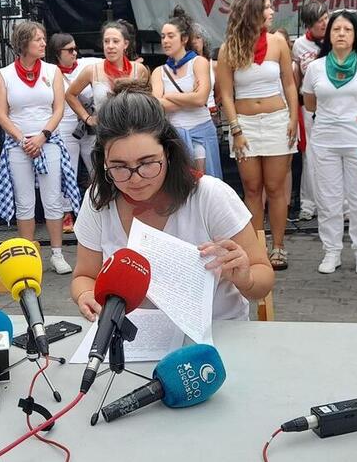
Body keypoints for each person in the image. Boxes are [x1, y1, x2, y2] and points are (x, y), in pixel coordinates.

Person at [70, 82, 274, 322]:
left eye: (147, 163)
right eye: (119, 167)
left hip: (213, 336)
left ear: (168, 152)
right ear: (103, 161)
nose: (135, 179)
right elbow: (84, 276)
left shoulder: (209, 195)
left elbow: (263, 280)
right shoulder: (100, 200)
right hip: (135, 337)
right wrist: (85, 294)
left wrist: (245, 278)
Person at [216, 0, 299, 270]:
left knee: (275, 188)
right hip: (245, 124)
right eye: (266, 7)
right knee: (252, 189)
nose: (272, 11)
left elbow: (289, 83)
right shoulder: (229, 48)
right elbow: (226, 94)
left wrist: (293, 119)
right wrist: (236, 130)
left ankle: (278, 247)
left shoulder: (278, 43)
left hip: (277, 120)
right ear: (252, 11)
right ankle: (256, 247)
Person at [0, 21, 80, 275]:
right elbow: (0, 114)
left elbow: (59, 109)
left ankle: (56, 253)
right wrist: (22, 140)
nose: (44, 43)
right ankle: (29, 254)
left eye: (43, 39)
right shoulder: (4, 75)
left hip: (48, 141)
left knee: (53, 200)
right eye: (38, 39)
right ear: (23, 44)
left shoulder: (52, 71)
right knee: (25, 202)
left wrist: (42, 136)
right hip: (18, 144)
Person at [300, 10, 357, 274]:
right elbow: (310, 103)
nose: (341, 34)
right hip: (325, 142)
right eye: (336, 29)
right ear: (329, 34)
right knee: (328, 199)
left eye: (347, 29)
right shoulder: (315, 67)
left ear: (355, 33)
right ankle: (331, 251)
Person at [151, 6, 221, 177]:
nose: (165, 41)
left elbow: (200, 99)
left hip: (202, 132)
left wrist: (170, 96)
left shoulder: (199, 63)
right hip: (175, 135)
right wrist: (188, 97)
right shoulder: (159, 71)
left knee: (207, 186)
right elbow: (157, 106)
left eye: (170, 36)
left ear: (183, 39)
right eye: (162, 37)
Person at [47, 32, 99, 233]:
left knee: (96, 167)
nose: (74, 53)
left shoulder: (88, 64)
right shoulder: (50, 72)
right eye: (69, 50)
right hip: (65, 124)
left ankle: (95, 209)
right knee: (67, 170)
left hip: (89, 123)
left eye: (75, 48)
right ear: (57, 53)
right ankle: (67, 214)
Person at [65, 20, 150, 127]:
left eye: (115, 41)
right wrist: (87, 118)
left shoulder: (138, 70)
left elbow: (149, 100)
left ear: (125, 44)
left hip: (134, 131)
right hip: (105, 133)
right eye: (106, 41)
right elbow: (69, 94)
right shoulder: (92, 71)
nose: (110, 46)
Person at [291, 1, 328, 220]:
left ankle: (341, 205)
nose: (324, 24)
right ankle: (308, 203)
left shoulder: (336, 37)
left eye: (325, 18)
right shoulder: (300, 46)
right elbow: (296, 79)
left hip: (334, 106)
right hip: (309, 106)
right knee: (310, 156)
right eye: (318, 21)